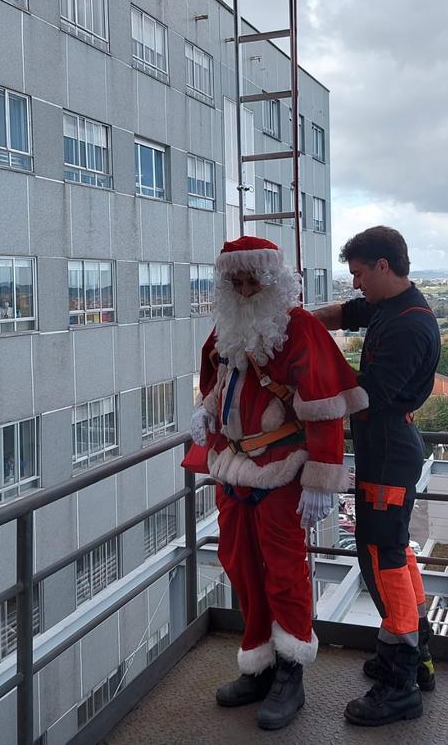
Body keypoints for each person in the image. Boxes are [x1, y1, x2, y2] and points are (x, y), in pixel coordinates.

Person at [185, 236, 364, 730]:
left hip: (283, 472)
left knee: (284, 573)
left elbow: (326, 409)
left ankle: (290, 675)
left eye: (253, 280)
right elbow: (218, 385)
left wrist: (321, 480)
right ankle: (258, 662)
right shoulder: (226, 329)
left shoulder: (300, 329)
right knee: (240, 566)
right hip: (231, 468)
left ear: (273, 280)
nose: (244, 291)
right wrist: (203, 415)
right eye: (235, 282)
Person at [312, 226, 440, 727]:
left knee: (380, 558)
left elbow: (365, 395)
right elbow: (344, 314)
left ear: (383, 266)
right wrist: (295, 322)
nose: (356, 283)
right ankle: (415, 653)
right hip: (388, 449)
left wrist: (302, 393)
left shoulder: (410, 324)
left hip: (388, 454)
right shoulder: (392, 305)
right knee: (396, 552)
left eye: (360, 273)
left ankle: (399, 681)